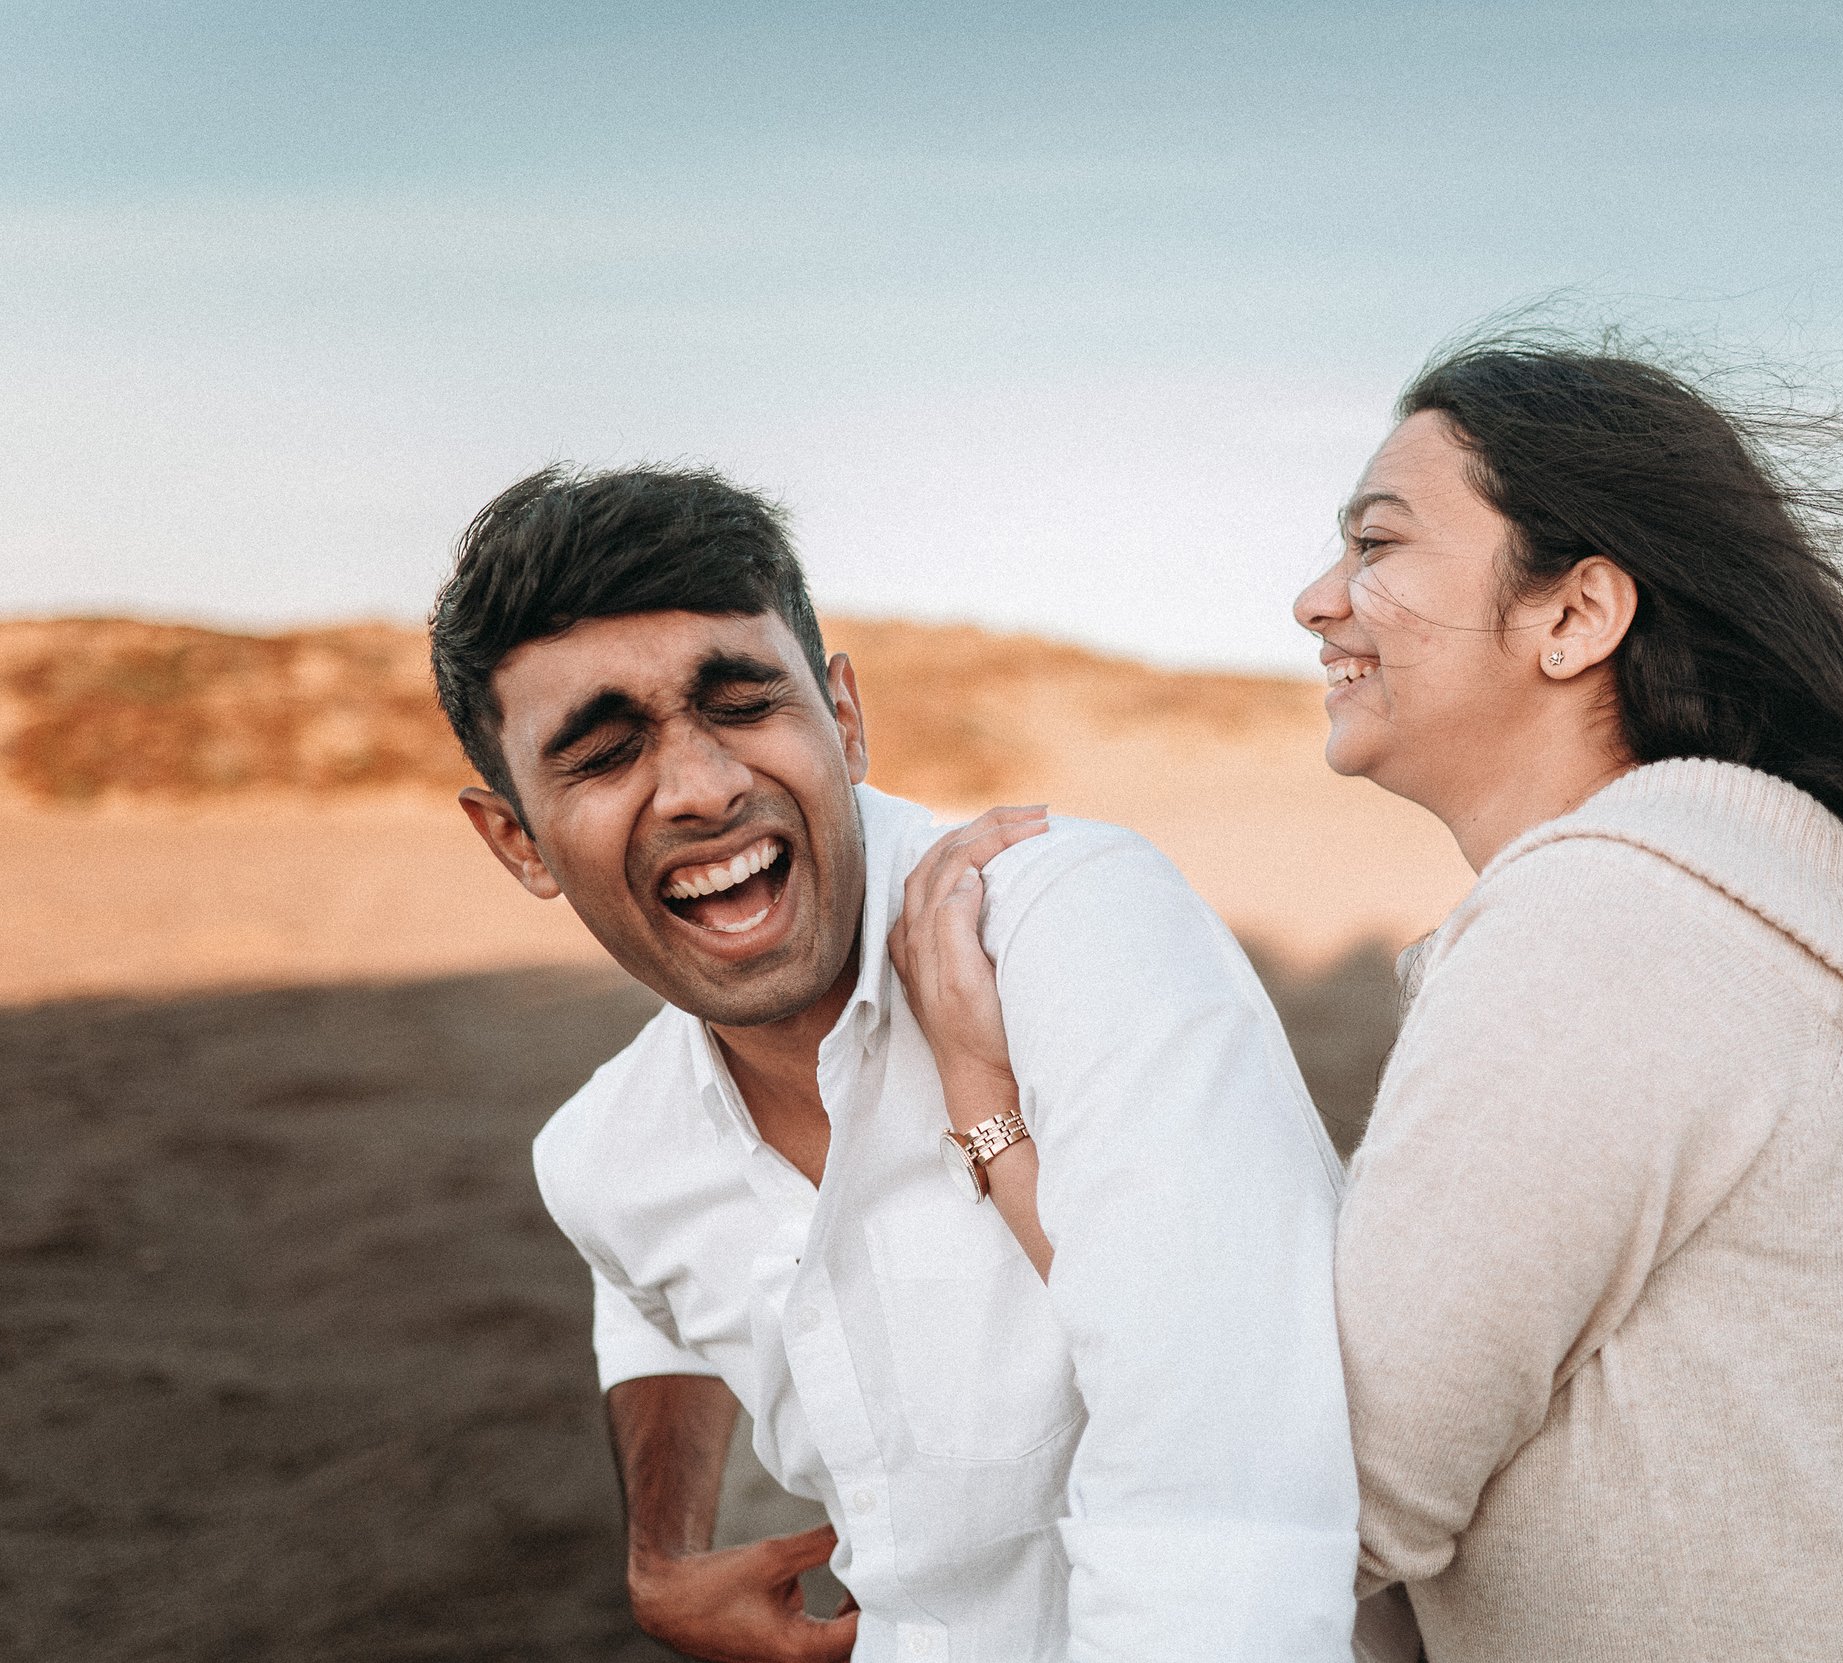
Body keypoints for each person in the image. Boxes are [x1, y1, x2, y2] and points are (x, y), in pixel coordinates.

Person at [896, 338, 1843, 1662]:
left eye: (1376, 544)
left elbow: (1317, 1489)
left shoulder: (1616, 926)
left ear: (1573, 616)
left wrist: (990, 1115)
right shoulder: (1724, 891)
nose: (1315, 600)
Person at [429, 465, 1360, 1663]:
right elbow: (643, 1287)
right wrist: (661, 1551)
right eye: (605, 754)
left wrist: (984, 1108)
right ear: (517, 840)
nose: (704, 787)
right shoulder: (604, 1149)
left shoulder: (1061, 929)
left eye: (744, 703)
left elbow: (1226, 1481)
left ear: (845, 717)